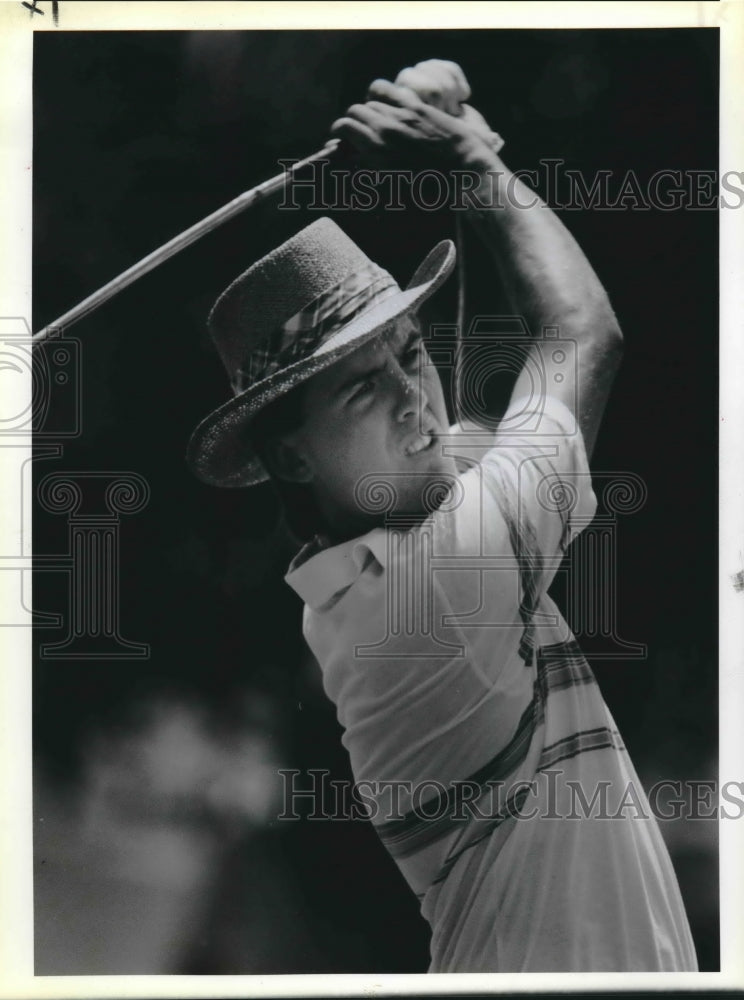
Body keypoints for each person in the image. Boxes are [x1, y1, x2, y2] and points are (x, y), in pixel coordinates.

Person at [187, 60, 697, 972]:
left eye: (409, 354)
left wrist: (468, 141)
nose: (416, 404)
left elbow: (490, 407)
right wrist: (464, 156)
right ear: (292, 455)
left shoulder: (374, 553)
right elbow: (584, 336)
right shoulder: (430, 589)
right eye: (359, 393)